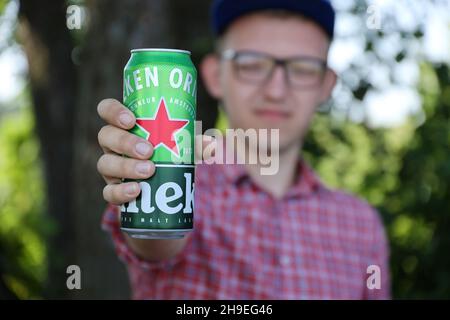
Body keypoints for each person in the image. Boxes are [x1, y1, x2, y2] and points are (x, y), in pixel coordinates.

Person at [96, 0, 390, 299]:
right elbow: (154, 246)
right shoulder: (185, 185)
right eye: (251, 64)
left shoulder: (362, 225)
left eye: (302, 68)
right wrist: (142, 181)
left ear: (326, 85)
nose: (276, 91)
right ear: (213, 76)